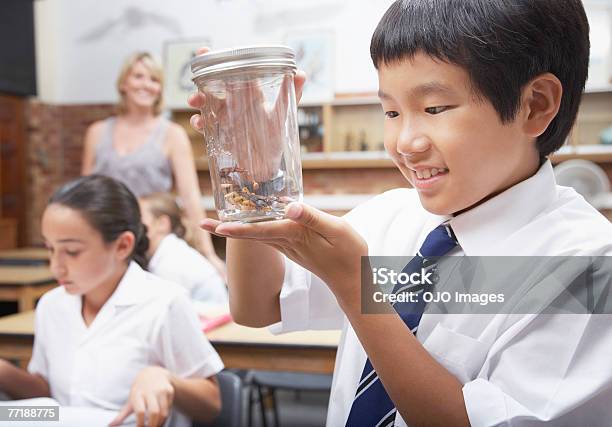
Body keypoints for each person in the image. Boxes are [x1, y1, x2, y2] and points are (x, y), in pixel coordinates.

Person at [192, 1, 612, 426]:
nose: (405, 142)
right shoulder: (390, 215)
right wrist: (256, 172)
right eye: (391, 112)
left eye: (434, 109)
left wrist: (357, 289)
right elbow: (259, 306)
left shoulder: (589, 266)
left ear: (535, 105)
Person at [0, 175, 223, 427]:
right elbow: (51, 401)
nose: (56, 267)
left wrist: (166, 379)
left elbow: (211, 403)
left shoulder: (164, 302)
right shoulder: (52, 305)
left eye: (72, 252)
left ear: (122, 246)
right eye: (50, 249)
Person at [81, 51, 225, 279]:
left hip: (150, 240)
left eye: (154, 79)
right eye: (138, 76)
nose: (146, 85)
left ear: (160, 89)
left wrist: (208, 253)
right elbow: (84, 196)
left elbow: (190, 197)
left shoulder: (172, 134)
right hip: (105, 238)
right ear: (123, 83)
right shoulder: (97, 133)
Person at [139, 192, 228, 305]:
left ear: (162, 223)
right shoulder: (168, 252)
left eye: (140, 217)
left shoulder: (171, 261)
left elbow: (166, 308)